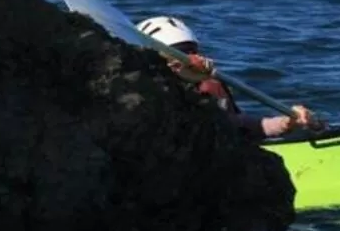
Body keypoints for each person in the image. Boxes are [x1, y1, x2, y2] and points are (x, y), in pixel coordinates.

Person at [136, 15, 323, 139]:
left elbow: (238, 125)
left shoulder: (209, 85)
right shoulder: (143, 93)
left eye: (191, 51)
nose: (191, 58)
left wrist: (287, 123)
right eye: (179, 53)